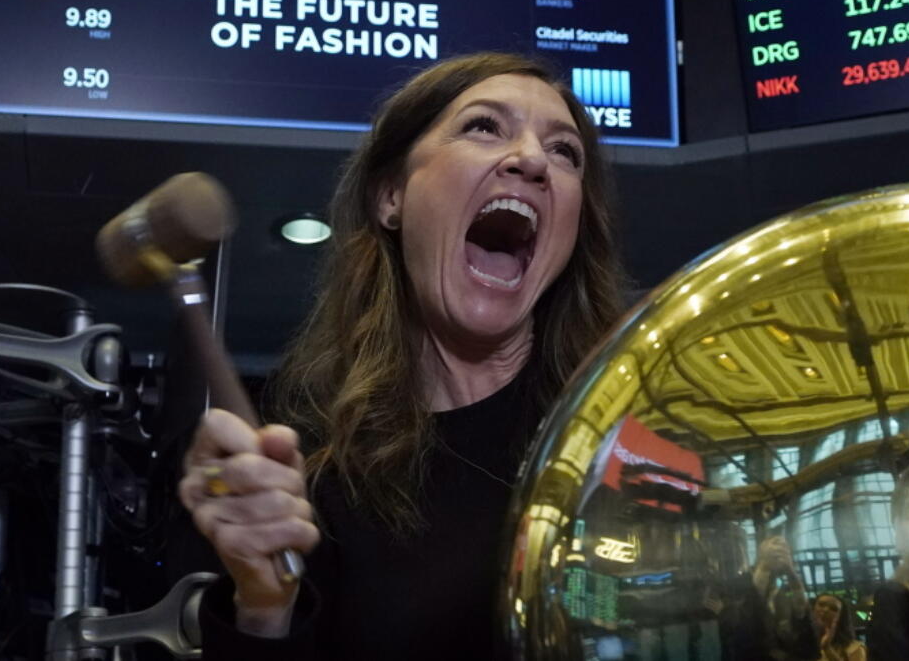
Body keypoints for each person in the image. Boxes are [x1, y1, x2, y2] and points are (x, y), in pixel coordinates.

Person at [178, 53, 625, 659]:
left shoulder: (626, 433)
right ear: (392, 196)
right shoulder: (311, 467)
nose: (531, 160)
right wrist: (263, 605)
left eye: (565, 152)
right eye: (485, 126)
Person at [812, 594, 866, 661]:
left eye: (833, 609)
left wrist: (827, 649)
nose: (826, 610)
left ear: (841, 618)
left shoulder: (854, 649)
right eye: (821, 605)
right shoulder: (803, 644)